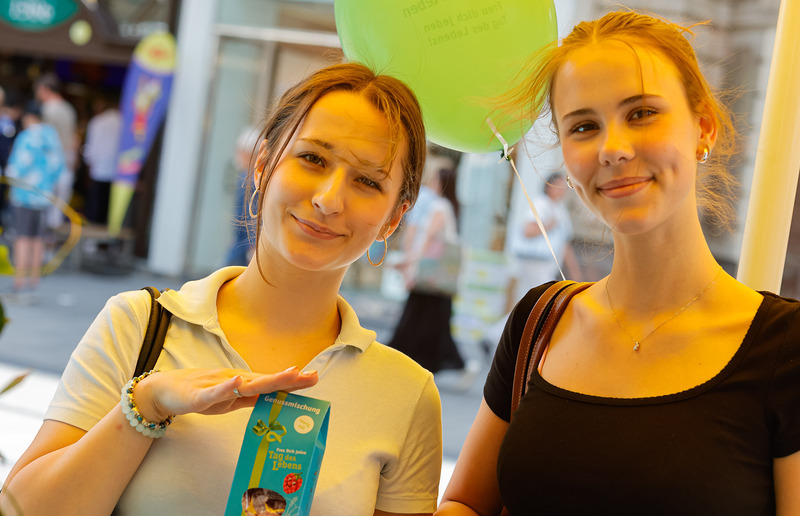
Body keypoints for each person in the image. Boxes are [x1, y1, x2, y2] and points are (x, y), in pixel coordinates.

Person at [1, 63, 442, 516]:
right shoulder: (138, 326)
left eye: (368, 181)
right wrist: (145, 406)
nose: (329, 199)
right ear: (263, 164)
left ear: (393, 218)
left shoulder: (407, 397)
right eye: (313, 159)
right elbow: (21, 510)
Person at [438, 11, 800, 515]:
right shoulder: (539, 321)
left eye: (642, 113)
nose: (613, 149)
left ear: (703, 128)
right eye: (584, 126)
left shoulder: (786, 347)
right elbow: (468, 504)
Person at [480, 172, 582, 353]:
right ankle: (500, 339)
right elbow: (528, 230)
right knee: (536, 303)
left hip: (544, 265)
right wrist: (549, 225)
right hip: (534, 264)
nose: (563, 190)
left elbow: (565, 245)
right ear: (549, 186)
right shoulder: (542, 205)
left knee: (530, 304)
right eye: (559, 185)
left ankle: (495, 337)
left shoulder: (558, 208)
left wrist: (575, 272)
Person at [389, 162, 466, 374]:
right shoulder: (448, 206)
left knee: (419, 319)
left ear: (441, 182)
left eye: (435, 178)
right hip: (437, 278)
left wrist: (410, 261)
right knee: (432, 322)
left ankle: (410, 360)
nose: (431, 182)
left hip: (429, 276)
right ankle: (434, 362)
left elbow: (428, 239)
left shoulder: (439, 207)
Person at [4, 101, 66, 298]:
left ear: (29, 117)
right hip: (44, 196)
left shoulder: (27, 136)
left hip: (24, 195)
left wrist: (9, 177)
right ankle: (34, 279)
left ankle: (20, 279)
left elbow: (18, 166)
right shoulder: (51, 136)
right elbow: (59, 166)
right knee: (38, 238)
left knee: (22, 237)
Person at [34, 72, 77, 230]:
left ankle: (42, 240)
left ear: (45, 89)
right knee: (58, 209)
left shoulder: (47, 109)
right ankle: (52, 239)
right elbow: (74, 138)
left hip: (49, 162)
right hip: (67, 161)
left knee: (43, 206)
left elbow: (41, 139)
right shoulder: (68, 108)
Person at [82, 93, 122, 224]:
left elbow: (90, 146)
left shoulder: (97, 121)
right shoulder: (125, 123)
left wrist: (88, 164)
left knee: (96, 202)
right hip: (118, 169)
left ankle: (93, 227)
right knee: (110, 204)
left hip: (98, 167)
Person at [224, 125, 260, 266]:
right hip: (242, 245)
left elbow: (251, 215)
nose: (237, 154)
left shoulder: (248, 179)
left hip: (244, 247)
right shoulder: (251, 178)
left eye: (240, 150)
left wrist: (252, 246)